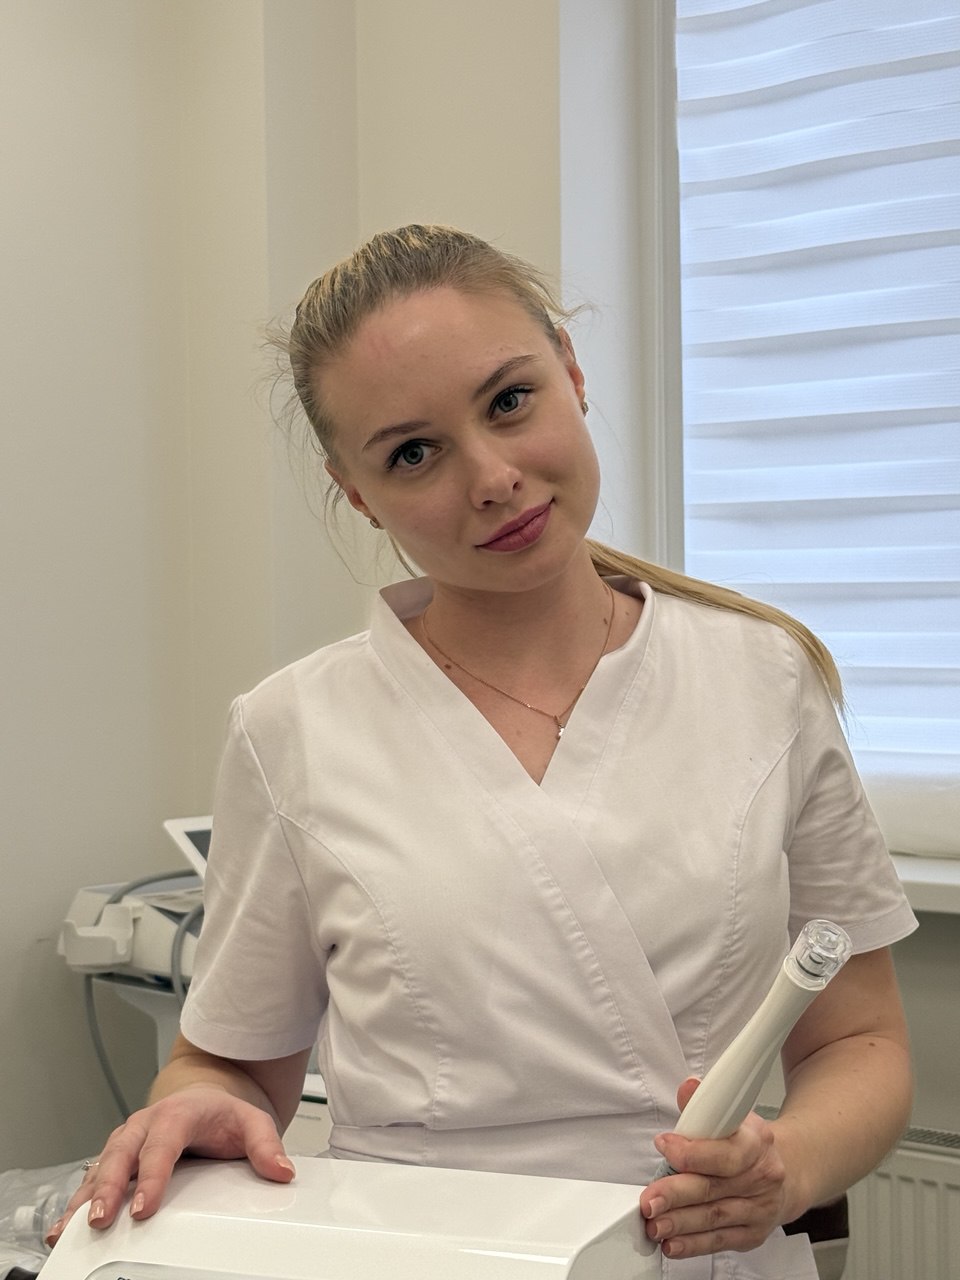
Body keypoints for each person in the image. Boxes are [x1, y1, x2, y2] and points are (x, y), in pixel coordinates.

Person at [50, 225, 916, 1277]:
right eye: (413, 453)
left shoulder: (762, 677)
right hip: (417, 1257)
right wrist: (197, 1104)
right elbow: (227, 1060)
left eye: (509, 400)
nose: (494, 478)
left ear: (571, 371)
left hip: (705, 1253)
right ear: (356, 490)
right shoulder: (292, 731)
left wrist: (784, 1167)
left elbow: (859, 1042)